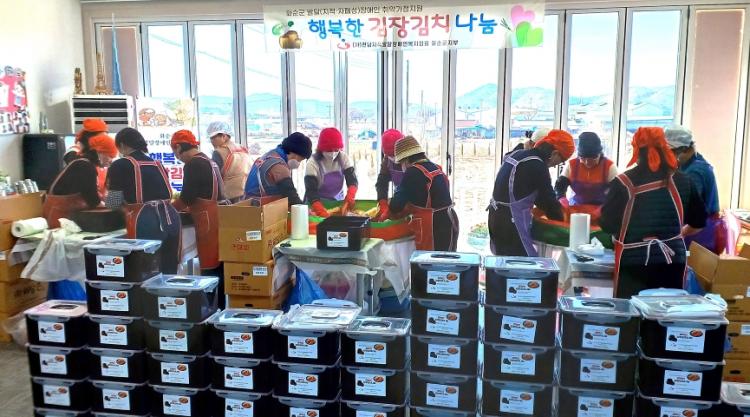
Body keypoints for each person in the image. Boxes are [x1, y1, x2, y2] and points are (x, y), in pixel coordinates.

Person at [600, 127, 707, 298]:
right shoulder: (684, 180)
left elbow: (607, 224)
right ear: (665, 146)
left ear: (636, 149)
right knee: (667, 311)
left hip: (634, 263)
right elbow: (699, 222)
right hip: (673, 260)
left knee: (632, 311)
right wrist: (677, 235)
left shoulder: (624, 182)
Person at [106, 127, 182, 274]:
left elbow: (113, 202)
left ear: (122, 145)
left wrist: (120, 209)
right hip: (170, 218)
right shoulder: (157, 164)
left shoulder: (120, 165)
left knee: (144, 271)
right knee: (168, 270)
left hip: (144, 221)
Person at [489, 130, 575, 257]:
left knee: (503, 262)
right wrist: (564, 225)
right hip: (512, 223)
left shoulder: (517, 154)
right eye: (561, 161)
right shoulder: (537, 165)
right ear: (555, 153)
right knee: (522, 264)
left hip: (495, 217)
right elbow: (548, 202)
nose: (556, 165)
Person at [388, 136, 458, 251]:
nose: (401, 167)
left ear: (406, 159)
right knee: (445, 258)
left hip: (432, 226)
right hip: (449, 219)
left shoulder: (412, 172)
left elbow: (396, 206)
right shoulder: (435, 167)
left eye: (401, 163)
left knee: (428, 260)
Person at [666, 126, 724, 254]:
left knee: (694, 263)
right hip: (699, 227)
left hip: (700, 232)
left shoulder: (696, 171)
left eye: (672, 152)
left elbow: (687, 205)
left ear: (685, 150)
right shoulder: (690, 164)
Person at [44, 133, 117, 228]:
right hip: (60, 219)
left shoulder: (84, 163)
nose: (111, 160)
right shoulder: (85, 166)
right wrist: (112, 206)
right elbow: (93, 200)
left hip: (67, 218)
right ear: (99, 152)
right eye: (110, 156)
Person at [244, 132, 312, 206]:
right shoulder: (278, 165)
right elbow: (290, 194)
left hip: (250, 203)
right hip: (258, 208)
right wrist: (303, 209)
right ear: (294, 152)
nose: (299, 163)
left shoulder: (271, 155)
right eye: (300, 160)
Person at [305, 127, 358, 217]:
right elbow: (311, 191)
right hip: (316, 203)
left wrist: (350, 195)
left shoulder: (343, 158)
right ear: (321, 148)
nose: (333, 153)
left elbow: (352, 180)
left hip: (337, 202)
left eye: (336, 150)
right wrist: (320, 210)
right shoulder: (312, 163)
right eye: (329, 150)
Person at [555, 132, 618, 206]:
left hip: (602, 208)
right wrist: (561, 199)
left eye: (593, 158)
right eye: (583, 158)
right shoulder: (572, 165)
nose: (587, 162)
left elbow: (617, 191)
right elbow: (560, 186)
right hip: (576, 207)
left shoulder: (609, 166)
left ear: (599, 154)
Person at [64, 118, 110, 198]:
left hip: (98, 199)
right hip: (83, 201)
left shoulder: (102, 154)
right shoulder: (74, 153)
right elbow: (82, 184)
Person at [207, 121, 251, 203]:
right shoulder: (242, 148)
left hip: (229, 197)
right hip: (246, 193)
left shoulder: (218, 152)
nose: (211, 141)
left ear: (224, 136)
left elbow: (214, 178)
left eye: (213, 138)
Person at [374, 129, 405, 221]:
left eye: (395, 154)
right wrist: (383, 203)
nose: (393, 158)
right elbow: (381, 182)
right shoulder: (387, 160)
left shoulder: (412, 159)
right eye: (390, 155)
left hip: (415, 203)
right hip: (399, 197)